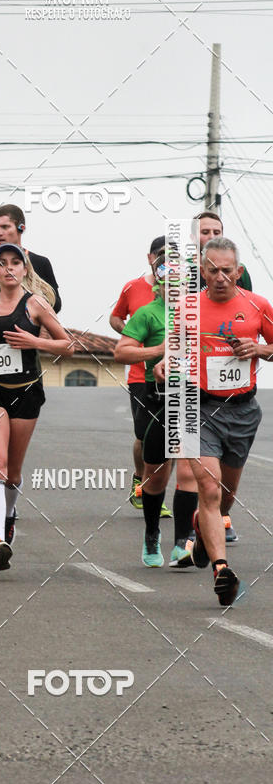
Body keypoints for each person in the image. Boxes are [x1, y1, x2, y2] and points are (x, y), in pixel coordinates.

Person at [0, 243, 76, 571]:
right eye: (2, 264)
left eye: (15, 263)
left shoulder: (36, 304)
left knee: (12, 472)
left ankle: (8, 516)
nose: (9, 268)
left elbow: (68, 344)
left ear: (25, 269)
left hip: (25, 392)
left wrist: (35, 342)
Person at [173, 237, 273, 605]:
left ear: (239, 272)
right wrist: (167, 365)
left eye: (226, 270)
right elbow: (174, 352)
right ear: (202, 271)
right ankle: (222, 569)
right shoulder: (186, 308)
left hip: (243, 411)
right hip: (198, 409)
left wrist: (261, 348)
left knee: (225, 498)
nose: (219, 277)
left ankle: (203, 528)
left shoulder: (258, 305)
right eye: (212, 269)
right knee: (210, 490)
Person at [114, 254, 198, 568]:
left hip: (192, 396)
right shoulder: (147, 314)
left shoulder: (197, 314)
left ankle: (181, 542)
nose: (174, 288)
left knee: (189, 472)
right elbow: (121, 352)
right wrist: (159, 351)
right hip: (157, 397)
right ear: (158, 286)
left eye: (181, 283)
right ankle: (151, 533)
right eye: (167, 282)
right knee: (156, 478)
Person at [192, 210, 253, 541]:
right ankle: (198, 530)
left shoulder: (244, 286)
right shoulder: (180, 280)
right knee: (197, 475)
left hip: (239, 404)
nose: (220, 276)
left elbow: (254, 326)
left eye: (215, 230)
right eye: (204, 231)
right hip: (194, 397)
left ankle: (212, 517)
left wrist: (254, 348)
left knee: (222, 489)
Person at [110, 235, 173, 519]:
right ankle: (141, 478)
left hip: (177, 379)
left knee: (172, 442)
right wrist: (133, 336)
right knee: (144, 436)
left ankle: (156, 491)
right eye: (161, 254)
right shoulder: (133, 287)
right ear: (151, 258)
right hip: (140, 375)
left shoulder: (186, 292)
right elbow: (115, 317)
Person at [0, 204, 61, 314]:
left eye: (5, 227)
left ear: (21, 228)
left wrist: (34, 319)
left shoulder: (40, 262)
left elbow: (56, 303)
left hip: (27, 330)